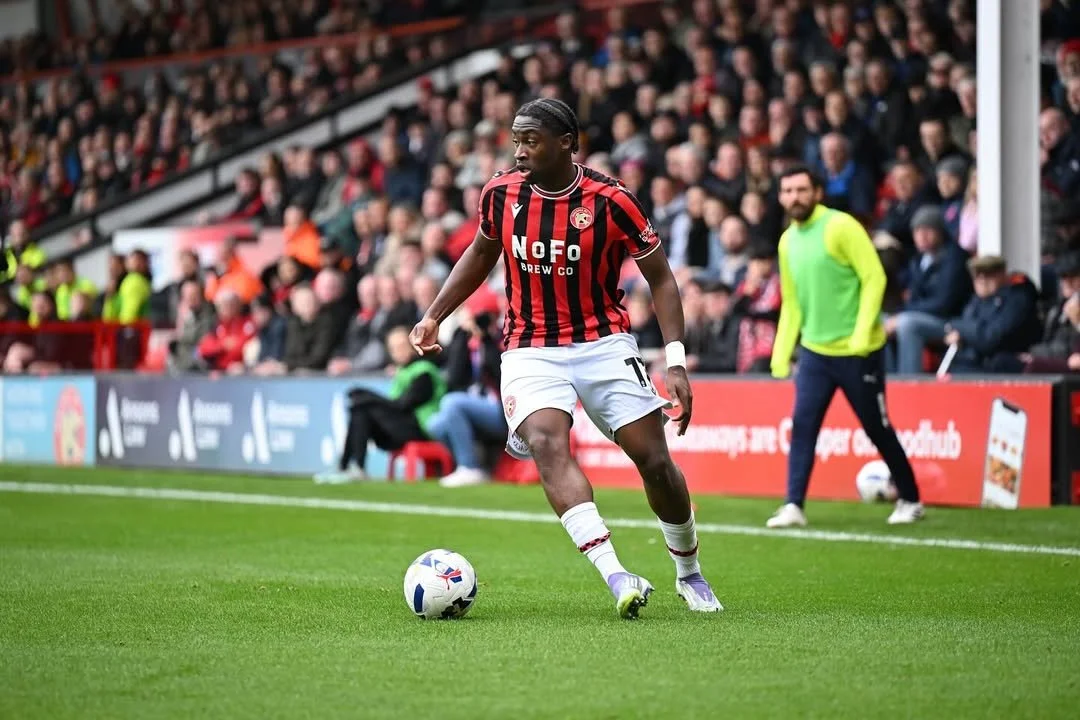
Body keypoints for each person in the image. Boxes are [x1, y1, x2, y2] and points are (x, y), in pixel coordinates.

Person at [409, 98, 722, 618]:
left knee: (655, 462)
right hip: (530, 347)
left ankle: (689, 573)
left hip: (603, 342)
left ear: (567, 143)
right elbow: (482, 253)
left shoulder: (612, 199)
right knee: (548, 444)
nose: (520, 150)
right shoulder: (501, 193)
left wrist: (676, 362)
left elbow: (662, 280)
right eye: (516, 140)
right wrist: (434, 313)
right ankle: (617, 575)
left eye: (531, 140)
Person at [769, 165, 924, 527]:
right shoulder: (787, 241)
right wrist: (781, 352)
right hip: (815, 353)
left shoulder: (841, 226)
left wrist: (861, 333)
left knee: (876, 428)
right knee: (803, 426)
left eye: (801, 189)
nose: (794, 197)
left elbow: (874, 278)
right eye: (787, 191)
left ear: (817, 192)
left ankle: (911, 499)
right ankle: (794, 505)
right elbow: (792, 303)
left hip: (860, 352)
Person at [315, 326, 447, 484]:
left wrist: (369, 397)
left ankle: (353, 467)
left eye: (401, 346)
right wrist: (367, 398)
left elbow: (403, 405)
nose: (398, 351)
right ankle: (347, 467)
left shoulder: (424, 371)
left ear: (412, 345)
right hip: (401, 429)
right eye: (393, 348)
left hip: (424, 430)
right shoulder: (403, 371)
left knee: (362, 406)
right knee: (360, 409)